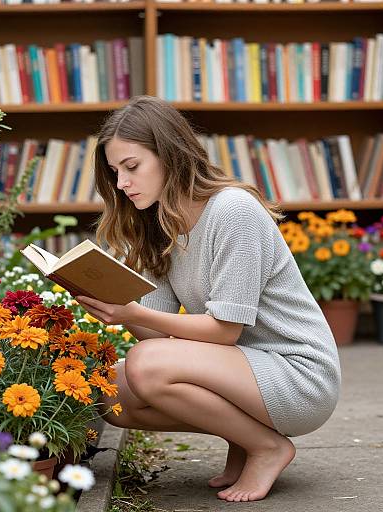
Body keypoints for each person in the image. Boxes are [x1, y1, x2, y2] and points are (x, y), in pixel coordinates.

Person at [75, 95, 341, 502]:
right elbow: (155, 332)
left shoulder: (233, 211)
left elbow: (224, 331)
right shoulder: (161, 224)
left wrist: (128, 310)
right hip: (243, 372)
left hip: (298, 375)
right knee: (111, 389)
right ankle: (247, 438)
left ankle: (268, 448)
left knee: (146, 367)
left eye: (132, 167)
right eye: (115, 172)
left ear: (171, 155)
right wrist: (112, 306)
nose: (122, 183)